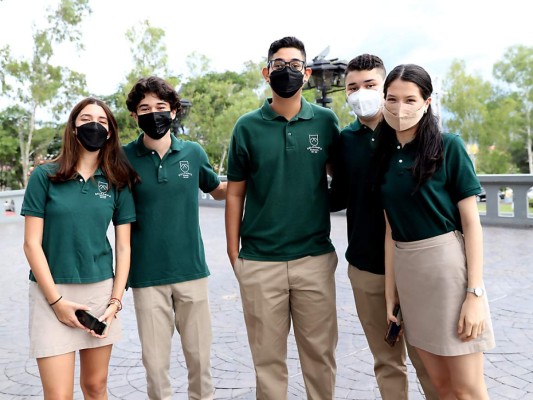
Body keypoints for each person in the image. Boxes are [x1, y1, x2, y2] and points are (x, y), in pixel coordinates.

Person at [225, 36, 340, 400]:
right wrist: (234, 254)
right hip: (260, 262)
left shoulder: (325, 122)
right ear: (266, 72)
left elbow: (344, 177)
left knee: (320, 358)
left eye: (294, 65)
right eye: (279, 64)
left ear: (306, 74)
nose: (286, 71)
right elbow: (236, 193)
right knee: (268, 362)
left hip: (314, 258)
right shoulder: (246, 127)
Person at [376, 64, 496, 399]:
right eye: (392, 99)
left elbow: (472, 224)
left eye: (410, 99)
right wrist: (391, 293)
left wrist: (474, 294)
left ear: (427, 101)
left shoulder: (448, 147)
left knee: (468, 388)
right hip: (408, 272)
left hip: (447, 271)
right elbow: (390, 228)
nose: (400, 108)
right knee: (440, 386)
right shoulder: (384, 156)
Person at [329, 55, 438, 399]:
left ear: (386, 88)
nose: (362, 93)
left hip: (415, 266)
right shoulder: (345, 141)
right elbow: (337, 198)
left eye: (371, 85)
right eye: (353, 87)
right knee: (387, 361)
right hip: (367, 268)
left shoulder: (416, 138)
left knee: (430, 362)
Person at [21, 97, 137, 399]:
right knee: (59, 395)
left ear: (110, 132)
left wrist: (115, 302)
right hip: (51, 293)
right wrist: (57, 302)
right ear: (73, 128)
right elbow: (31, 244)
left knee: (95, 387)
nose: (94, 125)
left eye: (101, 121)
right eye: (86, 119)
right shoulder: (44, 176)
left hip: (100, 295)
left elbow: (124, 247)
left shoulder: (117, 181)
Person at [123, 76, 226, 400]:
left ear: (174, 111)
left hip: (191, 272)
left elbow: (219, 189)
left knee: (200, 361)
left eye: (161, 107)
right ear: (134, 116)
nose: (153, 114)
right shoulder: (122, 158)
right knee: (155, 365)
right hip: (147, 277)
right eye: (145, 108)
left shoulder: (193, 153)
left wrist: (260, 178)